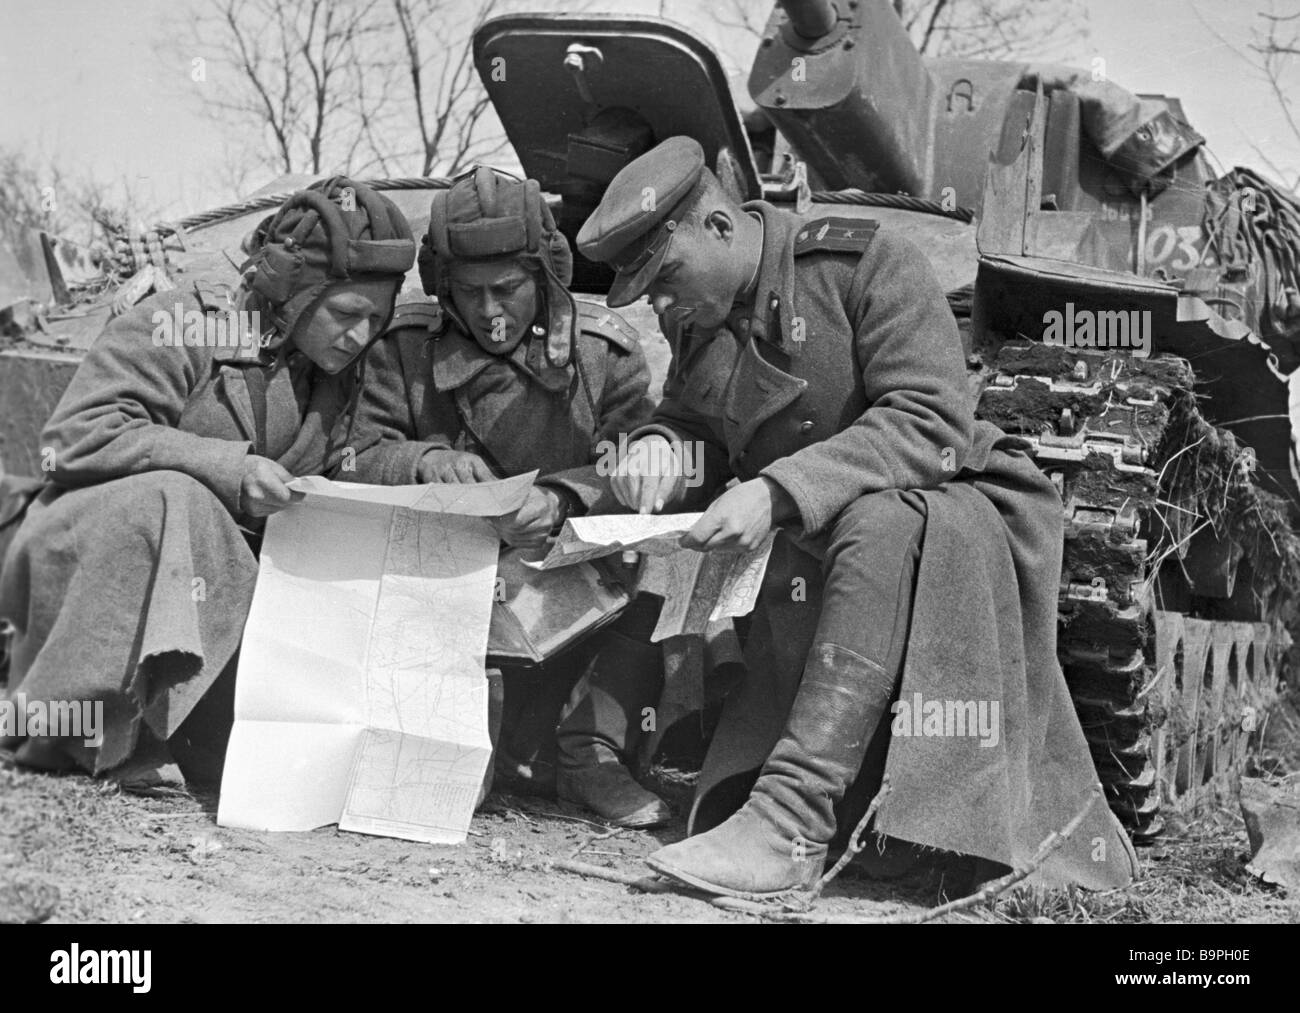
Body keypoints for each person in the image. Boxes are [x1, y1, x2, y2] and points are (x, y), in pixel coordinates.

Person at [576, 136, 1139, 897]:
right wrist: (662, 450)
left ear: (717, 225)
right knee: (856, 526)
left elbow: (930, 420)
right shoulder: (700, 319)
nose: (663, 306)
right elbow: (698, 424)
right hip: (822, 547)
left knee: (877, 522)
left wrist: (776, 490)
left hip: (959, 510)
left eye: (666, 278)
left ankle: (791, 820)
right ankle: (823, 807)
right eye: (648, 294)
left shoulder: (862, 261)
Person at [0, 178, 416, 779]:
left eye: (376, 318)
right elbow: (71, 439)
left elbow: (359, 456)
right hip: (93, 551)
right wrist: (228, 468)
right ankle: (74, 730)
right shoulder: (184, 322)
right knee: (177, 498)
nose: (361, 335)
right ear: (296, 291)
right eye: (346, 312)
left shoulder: (333, 373)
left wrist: (421, 466)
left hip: (218, 590)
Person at [339, 166, 671, 828]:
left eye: (508, 290)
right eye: (469, 293)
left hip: (569, 592)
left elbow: (632, 466)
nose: (490, 313)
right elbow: (350, 459)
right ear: (442, 285)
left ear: (545, 273)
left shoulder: (603, 354)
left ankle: (590, 751)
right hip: (436, 590)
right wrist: (422, 460)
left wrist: (561, 501)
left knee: (662, 555)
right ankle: (455, 747)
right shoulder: (402, 350)